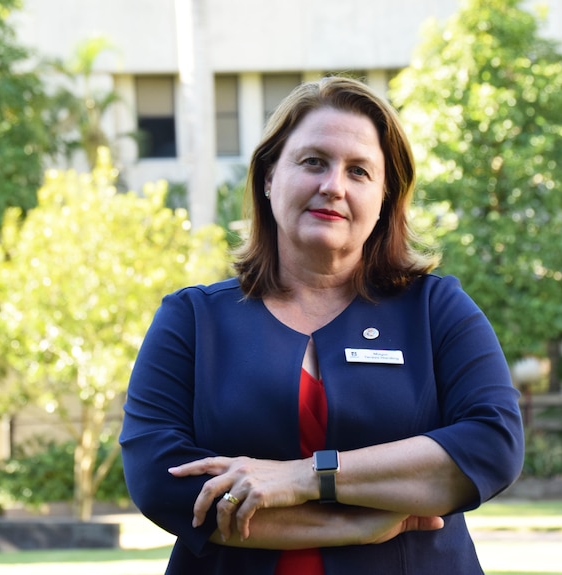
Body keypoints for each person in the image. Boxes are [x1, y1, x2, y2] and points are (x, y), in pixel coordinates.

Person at [119, 75, 524, 574]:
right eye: (313, 162)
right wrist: (352, 526)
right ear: (268, 177)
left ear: (383, 198)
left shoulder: (437, 309)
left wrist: (305, 478)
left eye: (359, 171)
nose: (333, 186)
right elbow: (162, 483)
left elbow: (492, 446)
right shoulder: (191, 320)